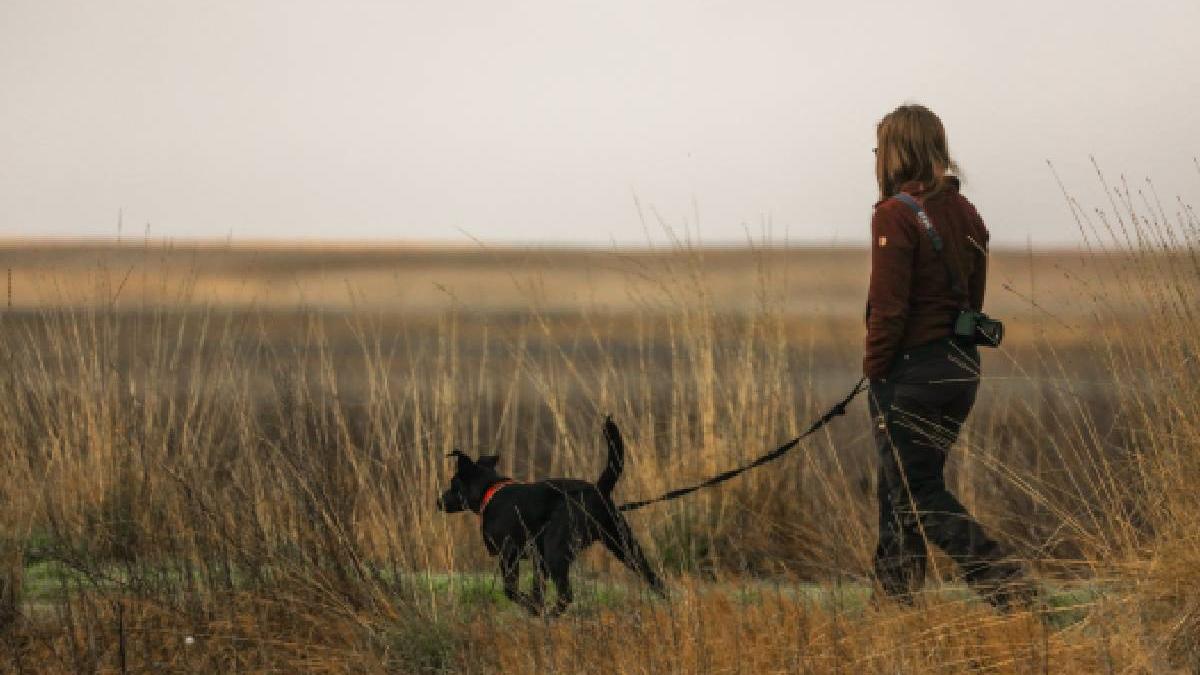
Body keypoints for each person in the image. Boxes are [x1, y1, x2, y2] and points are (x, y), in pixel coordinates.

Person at [864, 104, 1025, 608]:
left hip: (911, 375)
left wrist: (875, 371)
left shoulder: (893, 214)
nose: (876, 156)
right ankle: (894, 604)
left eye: (880, 147)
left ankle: (1008, 587)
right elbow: (971, 301)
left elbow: (888, 310)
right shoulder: (966, 211)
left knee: (916, 494)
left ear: (897, 152)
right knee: (902, 487)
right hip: (960, 369)